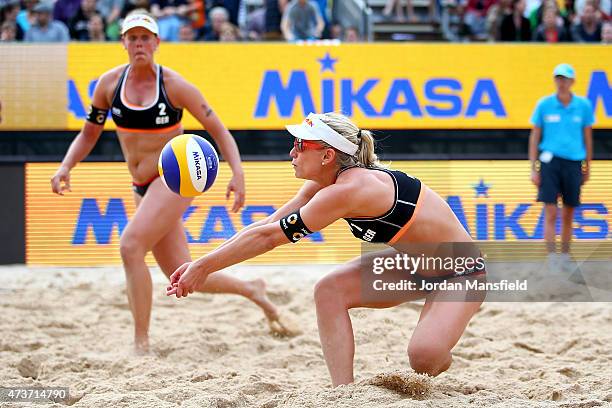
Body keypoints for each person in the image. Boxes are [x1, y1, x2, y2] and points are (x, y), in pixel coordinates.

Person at [167, 112, 486, 386]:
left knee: (424, 358)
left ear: (327, 155)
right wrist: (202, 262)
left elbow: (270, 239)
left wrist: (205, 268)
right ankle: (344, 393)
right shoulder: (326, 183)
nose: (292, 151)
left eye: (300, 145)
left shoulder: (349, 190)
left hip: (462, 273)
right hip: (413, 265)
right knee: (329, 290)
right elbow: (267, 226)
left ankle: (442, 342)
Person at [51, 12, 284, 354]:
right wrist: (65, 166)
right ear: (124, 43)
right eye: (133, 38)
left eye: (146, 38)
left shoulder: (174, 85)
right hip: (140, 184)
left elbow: (219, 130)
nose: (139, 44)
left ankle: (141, 343)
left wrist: (237, 173)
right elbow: (89, 134)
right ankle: (253, 289)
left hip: (173, 180)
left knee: (130, 245)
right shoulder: (109, 85)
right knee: (180, 271)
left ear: (157, 43)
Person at [529, 63, 594, 271]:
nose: (562, 82)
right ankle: (551, 257)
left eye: (565, 78)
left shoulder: (583, 105)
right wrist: (533, 167)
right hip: (550, 162)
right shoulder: (544, 104)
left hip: (574, 162)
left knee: (568, 212)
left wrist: (588, 166)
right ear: (555, 80)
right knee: (550, 211)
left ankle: (565, 255)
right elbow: (535, 136)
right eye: (558, 78)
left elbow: (588, 138)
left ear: (572, 81)